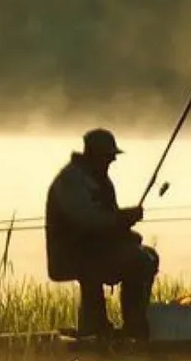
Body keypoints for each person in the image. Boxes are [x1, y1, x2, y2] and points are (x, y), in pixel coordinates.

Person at [45, 128, 160, 339]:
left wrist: (127, 230)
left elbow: (106, 224)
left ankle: (132, 325)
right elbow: (90, 222)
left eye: (112, 157)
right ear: (93, 154)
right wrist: (123, 218)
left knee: (148, 255)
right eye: (108, 157)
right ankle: (120, 327)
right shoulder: (71, 181)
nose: (111, 162)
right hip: (73, 254)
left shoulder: (98, 180)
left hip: (94, 250)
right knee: (138, 260)